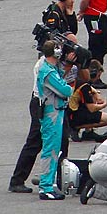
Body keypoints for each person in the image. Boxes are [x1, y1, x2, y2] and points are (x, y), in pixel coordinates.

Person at [34, 41, 76, 200]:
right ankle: (45, 187)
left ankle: (49, 183)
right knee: (50, 150)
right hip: (51, 114)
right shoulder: (48, 72)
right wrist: (69, 88)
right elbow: (65, 90)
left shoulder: (51, 67)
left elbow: (62, 77)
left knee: (54, 149)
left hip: (55, 112)